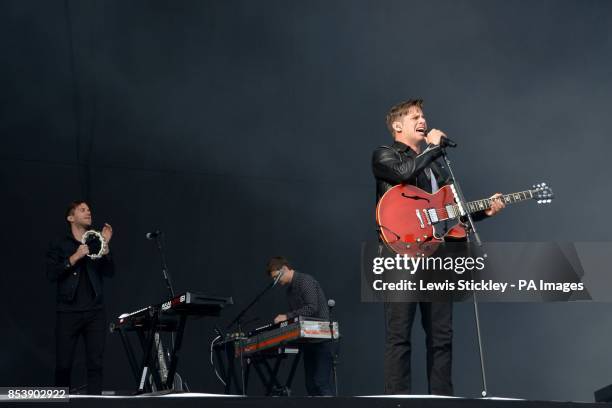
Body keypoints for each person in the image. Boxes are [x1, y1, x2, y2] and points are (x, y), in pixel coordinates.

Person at [371, 99, 505, 395]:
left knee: (441, 336)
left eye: (423, 115)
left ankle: (442, 398)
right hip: (399, 256)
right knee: (399, 336)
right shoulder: (384, 154)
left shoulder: (437, 169)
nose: (423, 119)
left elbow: (449, 211)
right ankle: (398, 401)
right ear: (397, 126)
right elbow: (403, 173)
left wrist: (484, 210)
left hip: (436, 257)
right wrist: (433, 148)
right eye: (415, 116)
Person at [46, 201, 114, 395]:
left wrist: (106, 247)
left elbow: (110, 272)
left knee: (95, 364)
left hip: (95, 312)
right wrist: (74, 258)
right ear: (70, 217)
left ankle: (94, 403)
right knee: (63, 365)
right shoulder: (60, 243)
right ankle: (60, 403)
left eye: (89, 209)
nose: (88, 212)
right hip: (68, 311)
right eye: (82, 210)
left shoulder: (96, 242)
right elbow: (51, 274)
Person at [267, 256, 335, 396]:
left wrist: (286, 316)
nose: (275, 281)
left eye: (275, 277)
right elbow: (299, 319)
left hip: (323, 339)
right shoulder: (289, 291)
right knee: (310, 385)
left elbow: (312, 308)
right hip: (309, 340)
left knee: (320, 383)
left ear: (284, 269)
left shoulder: (305, 281)